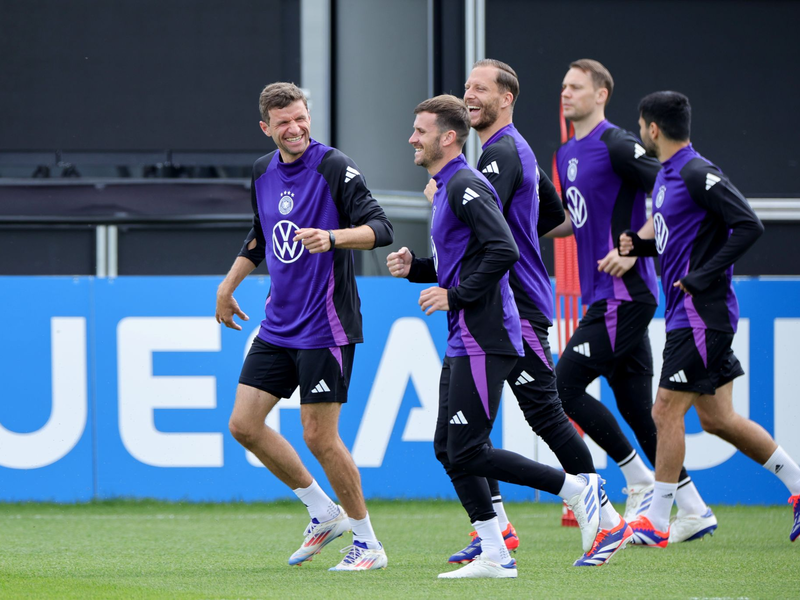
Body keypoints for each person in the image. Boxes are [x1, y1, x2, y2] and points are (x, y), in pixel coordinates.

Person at [387, 94, 606, 579]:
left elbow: (503, 249)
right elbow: (460, 259)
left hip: (486, 334)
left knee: (469, 447)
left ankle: (578, 490)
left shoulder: (466, 184)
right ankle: (495, 551)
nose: (412, 138)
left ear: (448, 137)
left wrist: (456, 296)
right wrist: (416, 268)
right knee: (448, 447)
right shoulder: (447, 187)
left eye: (420, 131)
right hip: (466, 334)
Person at [435, 59, 630, 568]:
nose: (469, 95)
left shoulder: (499, 155)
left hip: (511, 306)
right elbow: (553, 215)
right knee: (471, 432)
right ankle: (500, 529)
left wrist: (446, 199)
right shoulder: (512, 150)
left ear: (507, 99)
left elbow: (483, 233)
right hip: (506, 302)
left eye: (480, 88)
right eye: (467, 87)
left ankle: (601, 515)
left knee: (537, 415)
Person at [216, 82, 393, 571]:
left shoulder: (334, 166)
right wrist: (227, 286)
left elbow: (381, 229)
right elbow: (260, 235)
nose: (294, 128)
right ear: (266, 128)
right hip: (278, 325)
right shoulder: (262, 171)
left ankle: (368, 544)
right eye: (283, 123)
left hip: (326, 325)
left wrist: (333, 237)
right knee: (244, 425)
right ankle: (322, 511)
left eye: (300, 118)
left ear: (308, 116)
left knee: (318, 436)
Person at [620, 91, 800, 546]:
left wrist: (703, 275)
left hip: (701, 315)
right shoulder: (668, 176)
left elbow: (749, 224)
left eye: (641, 126)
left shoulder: (697, 172)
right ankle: (799, 486)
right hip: (688, 314)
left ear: (653, 129)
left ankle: (657, 521)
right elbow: (682, 239)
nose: (640, 133)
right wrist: (640, 246)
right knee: (719, 418)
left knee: (664, 410)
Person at [548, 59, 713, 543]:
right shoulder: (565, 153)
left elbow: (671, 190)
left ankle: (638, 479)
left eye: (576, 87)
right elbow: (574, 220)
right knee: (639, 410)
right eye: (564, 86)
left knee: (562, 386)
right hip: (603, 294)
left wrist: (634, 246)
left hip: (626, 295)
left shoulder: (618, 143)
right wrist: (520, 230)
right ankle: (694, 508)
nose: (566, 93)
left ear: (601, 94)